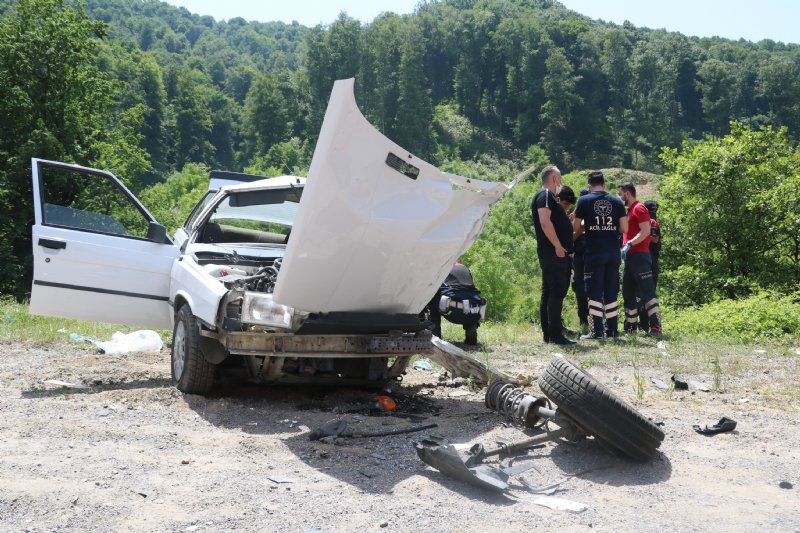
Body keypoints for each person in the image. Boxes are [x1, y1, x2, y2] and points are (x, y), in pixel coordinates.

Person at [572, 171, 628, 340]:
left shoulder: (584, 200)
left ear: (589, 186)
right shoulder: (617, 201)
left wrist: (588, 225)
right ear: (604, 184)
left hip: (594, 253)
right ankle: (612, 331)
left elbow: (576, 228)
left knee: (594, 291)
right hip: (613, 252)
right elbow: (624, 228)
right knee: (611, 291)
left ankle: (597, 332)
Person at [531, 166, 575, 345]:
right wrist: (557, 245)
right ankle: (555, 335)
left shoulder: (546, 197)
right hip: (553, 253)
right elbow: (544, 221)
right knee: (556, 292)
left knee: (549, 293)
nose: (561, 182)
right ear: (555, 178)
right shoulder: (546, 196)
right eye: (560, 178)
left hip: (551, 253)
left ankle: (549, 334)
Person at [618, 183, 662, 336]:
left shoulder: (639, 208)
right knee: (628, 293)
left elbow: (646, 231)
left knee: (648, 292)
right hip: (629, 258)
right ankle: (630, 328)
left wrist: (630, 243)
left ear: (627, 193)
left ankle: (656, 327)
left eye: (620, 193)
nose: (619, 196)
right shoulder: (629, 211)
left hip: (640, 256)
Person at [427, 261, 486, 345]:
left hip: (452, 309)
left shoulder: (441, 266)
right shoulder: (464, 267)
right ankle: (471, 329)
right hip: (475, 309)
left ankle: (436, 337)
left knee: (432, 301)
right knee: (469, 300)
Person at [638, 199, 662, 329]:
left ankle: (645, 325)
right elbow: (656, 240)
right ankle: (649, 325)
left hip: (644, 261)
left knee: (642, 294)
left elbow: (655, 240)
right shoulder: (653, 223)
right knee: (649, 294)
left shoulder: (647, 222)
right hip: (650, 263)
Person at [571, 188, 590, 334]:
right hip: (579, 259)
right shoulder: (573, 218)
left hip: (592, 257)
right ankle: (584, 322)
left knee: (595, 289)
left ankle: (595, 323)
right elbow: (570, 239)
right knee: (580, 289)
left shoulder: (595, 216)